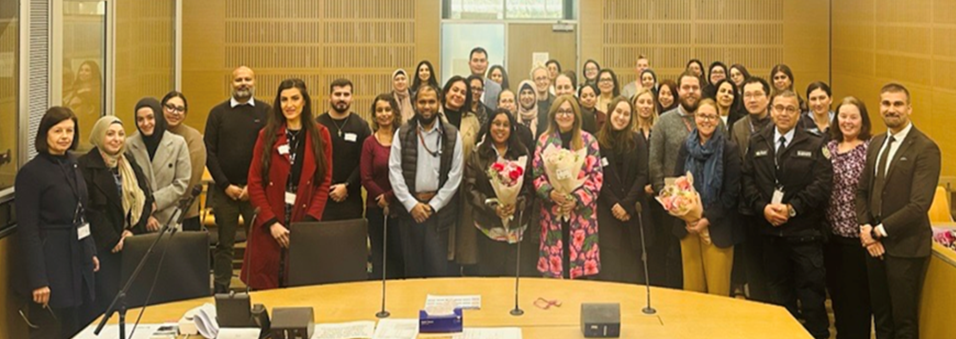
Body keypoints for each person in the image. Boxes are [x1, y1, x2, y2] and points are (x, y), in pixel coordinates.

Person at [741, 90, 832, 339]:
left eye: (789, 109)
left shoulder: (815, 143)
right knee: (779, 303)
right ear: (771, 110)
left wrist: (792, 208)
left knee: (812, 303)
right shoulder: (758, 140)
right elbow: (747, 179)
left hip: (805, 236)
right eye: (779, 108)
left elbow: (822, 185)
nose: (783, 113)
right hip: (771, 235)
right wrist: (763, 208)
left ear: (799, 113)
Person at [857, 83, 940, 339]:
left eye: (898, 104)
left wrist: (878, 232)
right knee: (881, 319)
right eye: (886, 104)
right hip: (874, 246)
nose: (891, 109)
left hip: (905, 249)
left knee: (903, 323)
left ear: (909, 108)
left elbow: (918, 205)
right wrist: (865, 228)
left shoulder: (925, 148)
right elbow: (862, 192)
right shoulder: (876, 143)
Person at [15, 107, 99, 338]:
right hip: (50, 259)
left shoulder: (74, 163)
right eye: (58, 130)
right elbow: (28, 230)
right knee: (50, 328)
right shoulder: (31, 173)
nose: (64, 136)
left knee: (75, 325)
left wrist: (89, 250)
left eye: (69, 131)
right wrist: (38, 280)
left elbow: (82, 213)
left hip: (75, 256)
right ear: (45, 134)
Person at [242, 79, 333, 290]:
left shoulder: (321, 135)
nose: (289, 105)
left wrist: (308, 222)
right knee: (266, 286)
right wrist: (271, 222)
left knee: (299, 286)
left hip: (303, 222)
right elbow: (254, 182)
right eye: (284, 99)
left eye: (294, 98)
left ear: (304, 102)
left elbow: (324, 180)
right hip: (269, 223)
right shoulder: (266, 135)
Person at [650, 71, 721, 288]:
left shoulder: (712, 119)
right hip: (674, 207)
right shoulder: (664, 121)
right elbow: (655, 162)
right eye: (686, 87)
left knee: (708, 266)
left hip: (710, 208)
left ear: (701, 90)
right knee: (676, 260)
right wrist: (670, 201)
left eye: (695, 87)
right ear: (678, 91)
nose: (691, 92)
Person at [78, 116, 153, 316]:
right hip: (103, 247)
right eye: (110, 134)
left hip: (131, 244)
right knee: (105, 304)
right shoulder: (85, 165)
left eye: (121, 134)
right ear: (99, 136)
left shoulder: (128, 162)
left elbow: (145, 198)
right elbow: (88, 208)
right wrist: (113, 239)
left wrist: (133, 232)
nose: (116, 139)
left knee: (130, 305)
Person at [204, 65, 270, 293]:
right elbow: (209, 152)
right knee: (224, 244)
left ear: (254, 82)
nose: (243, 83)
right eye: (238, 79)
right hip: (225, 192)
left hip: (256, 192)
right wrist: (225, 185)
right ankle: (221, 290)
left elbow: (269, 152)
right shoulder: (217, 114)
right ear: (231, 83)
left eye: (247, 79)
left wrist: (253, 187)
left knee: (260, 243)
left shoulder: (265, 112)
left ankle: (257, 286)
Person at [388, 84, 464, 278]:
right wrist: (412, 205)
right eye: (422, 102)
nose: (427, 106)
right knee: (412, 271)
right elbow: (394, 171)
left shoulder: (452, 135)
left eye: (431, 102)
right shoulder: (403, 133)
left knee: (437, 271)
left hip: (438, 214)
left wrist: (433, 206)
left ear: (439, 103)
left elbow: (455, 175)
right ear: (415, 104)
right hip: (410, 213)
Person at [673, 98, 742, 296]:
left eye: (711, 116)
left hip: (717, 228)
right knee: (692, 292)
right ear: (695, 117)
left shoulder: (729, 149)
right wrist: (685, 210)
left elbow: (731, 193)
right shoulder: (686, 146)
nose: (706, 120)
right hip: (688, 227)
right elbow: (677, 180)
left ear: (718, 119)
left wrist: (706, 219)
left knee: (717, 293)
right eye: (702, 115)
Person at [532, 95, 603, 279]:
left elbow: (596, 177)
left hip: (581, 217)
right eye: (561, 111)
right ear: (554, 115)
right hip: (552, 213)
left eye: (569, 111)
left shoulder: (589, 141)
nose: (565, 115)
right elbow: (537, 175)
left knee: (581, 276)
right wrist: (551, 193)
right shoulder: (544, 140)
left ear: (576, 115)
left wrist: (575, 199)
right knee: (555, 271)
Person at [824, 96, 873, 339]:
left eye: (853, 116)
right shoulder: (829, 148)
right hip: (831, 236)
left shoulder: (871, 149)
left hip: (859, 238)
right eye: (843, 116)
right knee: (838, 298)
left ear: (862, 121)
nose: (847, 121)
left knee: (858, 301)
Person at [465, 109, 534, 276]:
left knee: (515, 275)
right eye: (496, 124)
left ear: (511, 129)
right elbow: (470, 188)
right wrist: (493, 207)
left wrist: (517, 204)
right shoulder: (478, 154)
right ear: (489, 127)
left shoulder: (521, 152)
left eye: (505, 125)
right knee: (491, 277)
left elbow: (530, 186)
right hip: (488, 226)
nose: (500, 129)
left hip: (517, 226)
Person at [729, 77, 774, 302]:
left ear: (768, 97)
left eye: (757, 94)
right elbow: (736, 167)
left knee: (774, 268)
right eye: (747, 95)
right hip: (748, 207)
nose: (752, 99)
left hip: (775, 209)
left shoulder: (779, 122)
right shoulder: (738, 127)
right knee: (753, 265)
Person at [595, 96, 648, 283]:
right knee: (609, 274)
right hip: (607, 214)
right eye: (618, 112)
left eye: (626, 114)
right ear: (610, 113)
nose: (621, 117)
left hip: (631, 214)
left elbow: (643, 175)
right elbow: (596, 178)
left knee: (632, 274)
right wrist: (615, 205)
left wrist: (626, 205)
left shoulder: (637, 140)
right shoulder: (597, 141)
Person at [127, 98, 191, 231]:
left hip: (169, 219)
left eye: (150, 117)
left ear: (158, 116)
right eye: (140, 119)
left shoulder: (178, 143)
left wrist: (155, 203)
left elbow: (182, 183)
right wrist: (146, 213)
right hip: (139, 220)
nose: (145, 123)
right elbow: (129, 185)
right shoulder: (129, 145)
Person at [361, 94, 405, 280]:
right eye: (380, 110)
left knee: (399, 256)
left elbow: (406, 173)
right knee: (379, 258)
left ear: (395, 113)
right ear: (374, 114)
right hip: (375, 208)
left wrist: (390, 196)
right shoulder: (369, 143)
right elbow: (366, 177)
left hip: (400, 206)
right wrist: (381, 197)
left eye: (388, 109)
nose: (384, 114)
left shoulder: (403, 139)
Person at [441, 75, 482, 269]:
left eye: (463, 92)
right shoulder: (435, 115)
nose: (458, 95)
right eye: (455, 90)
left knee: (463, 232)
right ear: (446, 91)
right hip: (440, 183)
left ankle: (461, 269)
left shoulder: (472, 120)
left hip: (465, 182)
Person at [316, 78, 371, 221]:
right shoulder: (317, 125)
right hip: (322, 197)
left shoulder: (361, 126)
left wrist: (347, 186)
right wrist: (329, 186)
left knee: (350, 242)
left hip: (351, 197)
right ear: (330, 97)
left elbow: (364, 163)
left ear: (352, 98)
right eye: (337, 94)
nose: (342, 98)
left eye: (346, 94)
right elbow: (313, 161)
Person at [161, 91, 207, 231]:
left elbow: (190, 181)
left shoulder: (193, 137)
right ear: (161, 108)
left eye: (180, 109)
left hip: (184, 211)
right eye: (170, 107)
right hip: (154, 212)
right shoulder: (152, 133)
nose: (174, 112)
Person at [531, 65, 555, 129]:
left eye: (544, 78)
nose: (542, 82)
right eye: (538, 79)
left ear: (549, 80)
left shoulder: (556, 102)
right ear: (533, 82)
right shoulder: (529, 103)